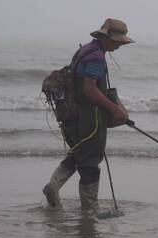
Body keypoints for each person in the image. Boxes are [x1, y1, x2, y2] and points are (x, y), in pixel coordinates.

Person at [43, 18, 134, 208]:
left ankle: (53, 186)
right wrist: (114, 108)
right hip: (88, 120)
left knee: (80, 153)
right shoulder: (96, 57)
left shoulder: (85, 49)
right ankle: (89, 210)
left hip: (73, 116)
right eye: (118, 41)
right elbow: (89, 90)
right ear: (107, 37)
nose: (120, 45)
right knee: (90, 163)